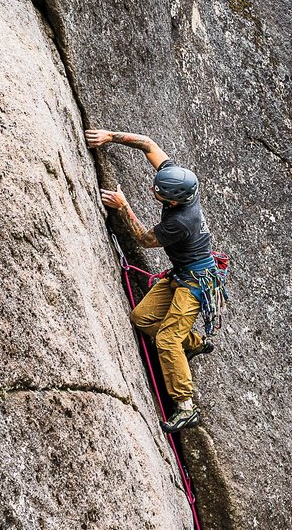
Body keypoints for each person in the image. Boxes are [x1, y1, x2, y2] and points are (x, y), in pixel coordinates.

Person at [86, 128, 218, 432]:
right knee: (142, 318)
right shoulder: (179, 179)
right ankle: (194, 343)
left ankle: (186, 406)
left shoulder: (181, 221)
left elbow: (145, 240)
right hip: (183, 274)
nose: (153, 189)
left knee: (166, 339)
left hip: (195, 284)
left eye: (158, 191)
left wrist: (123, 206)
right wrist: (109, 136)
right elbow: (148, 144)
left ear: (172, 201)